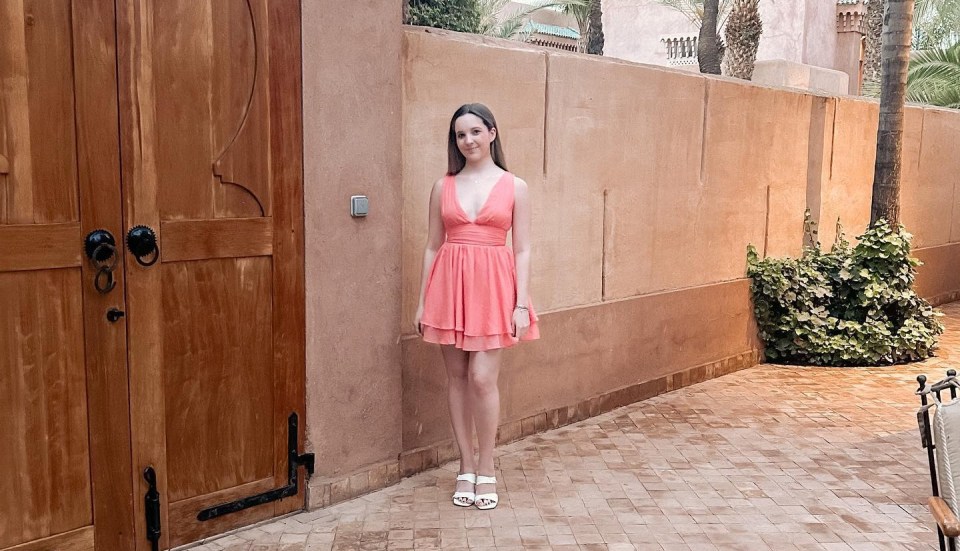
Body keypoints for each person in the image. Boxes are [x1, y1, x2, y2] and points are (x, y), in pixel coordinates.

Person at [415, 103, 540, 510]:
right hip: (448, 288)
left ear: (492, 132)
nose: (467, 140)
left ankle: (486, 466)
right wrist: (422, 302)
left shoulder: (514, 186)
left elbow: (521, 249)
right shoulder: (443, 186)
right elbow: (433, 245)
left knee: (483, 378)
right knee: (457, 378)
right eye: (459, 135)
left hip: (493, 289)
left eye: (474, 131)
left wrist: (521, 304)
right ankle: (465, 466)